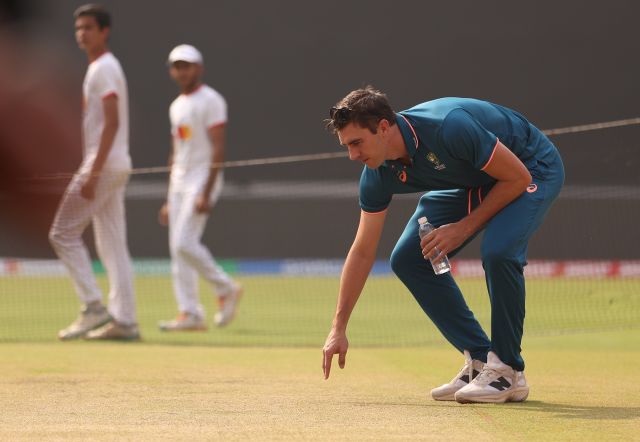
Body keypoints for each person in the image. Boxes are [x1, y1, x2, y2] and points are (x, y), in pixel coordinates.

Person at [321, 87, 564, 404]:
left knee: (499, 252)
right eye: (346, 146)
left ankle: (507, 371)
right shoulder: (376, 172)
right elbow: (363, 249)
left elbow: (516, 177)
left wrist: (462, 229)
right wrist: (338, 327)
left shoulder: (448, 127)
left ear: (383, 127)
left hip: (530, 167)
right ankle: (480, 362)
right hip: (479, 180)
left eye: (356, 143)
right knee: (408, 259)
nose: (353, 155)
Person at [49, 4, 139, 341]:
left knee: (61, 233)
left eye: (89, 27)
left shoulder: (103, 68)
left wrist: (93, 171)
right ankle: (125, 321)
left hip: (102, 166)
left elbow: (112, 122)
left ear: (105, 31)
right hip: (116, 164)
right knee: (114, 245)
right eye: (79, 28)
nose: (82, 33)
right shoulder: (104, 67)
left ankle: (93, 306)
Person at [157, 44, 242, 331]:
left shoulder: (211, 100)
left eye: (187, 65)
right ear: (172, 71)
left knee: (183, 243)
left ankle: (226, 287)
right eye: (177, 66)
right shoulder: (176, 105)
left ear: (199, 68)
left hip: (201, 181)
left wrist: (206, 191)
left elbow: (218, 149)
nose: (182, 71)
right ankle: (190, 313)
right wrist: (169, 197)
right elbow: (175, 151)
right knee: (176, 249)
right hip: (179, 184)